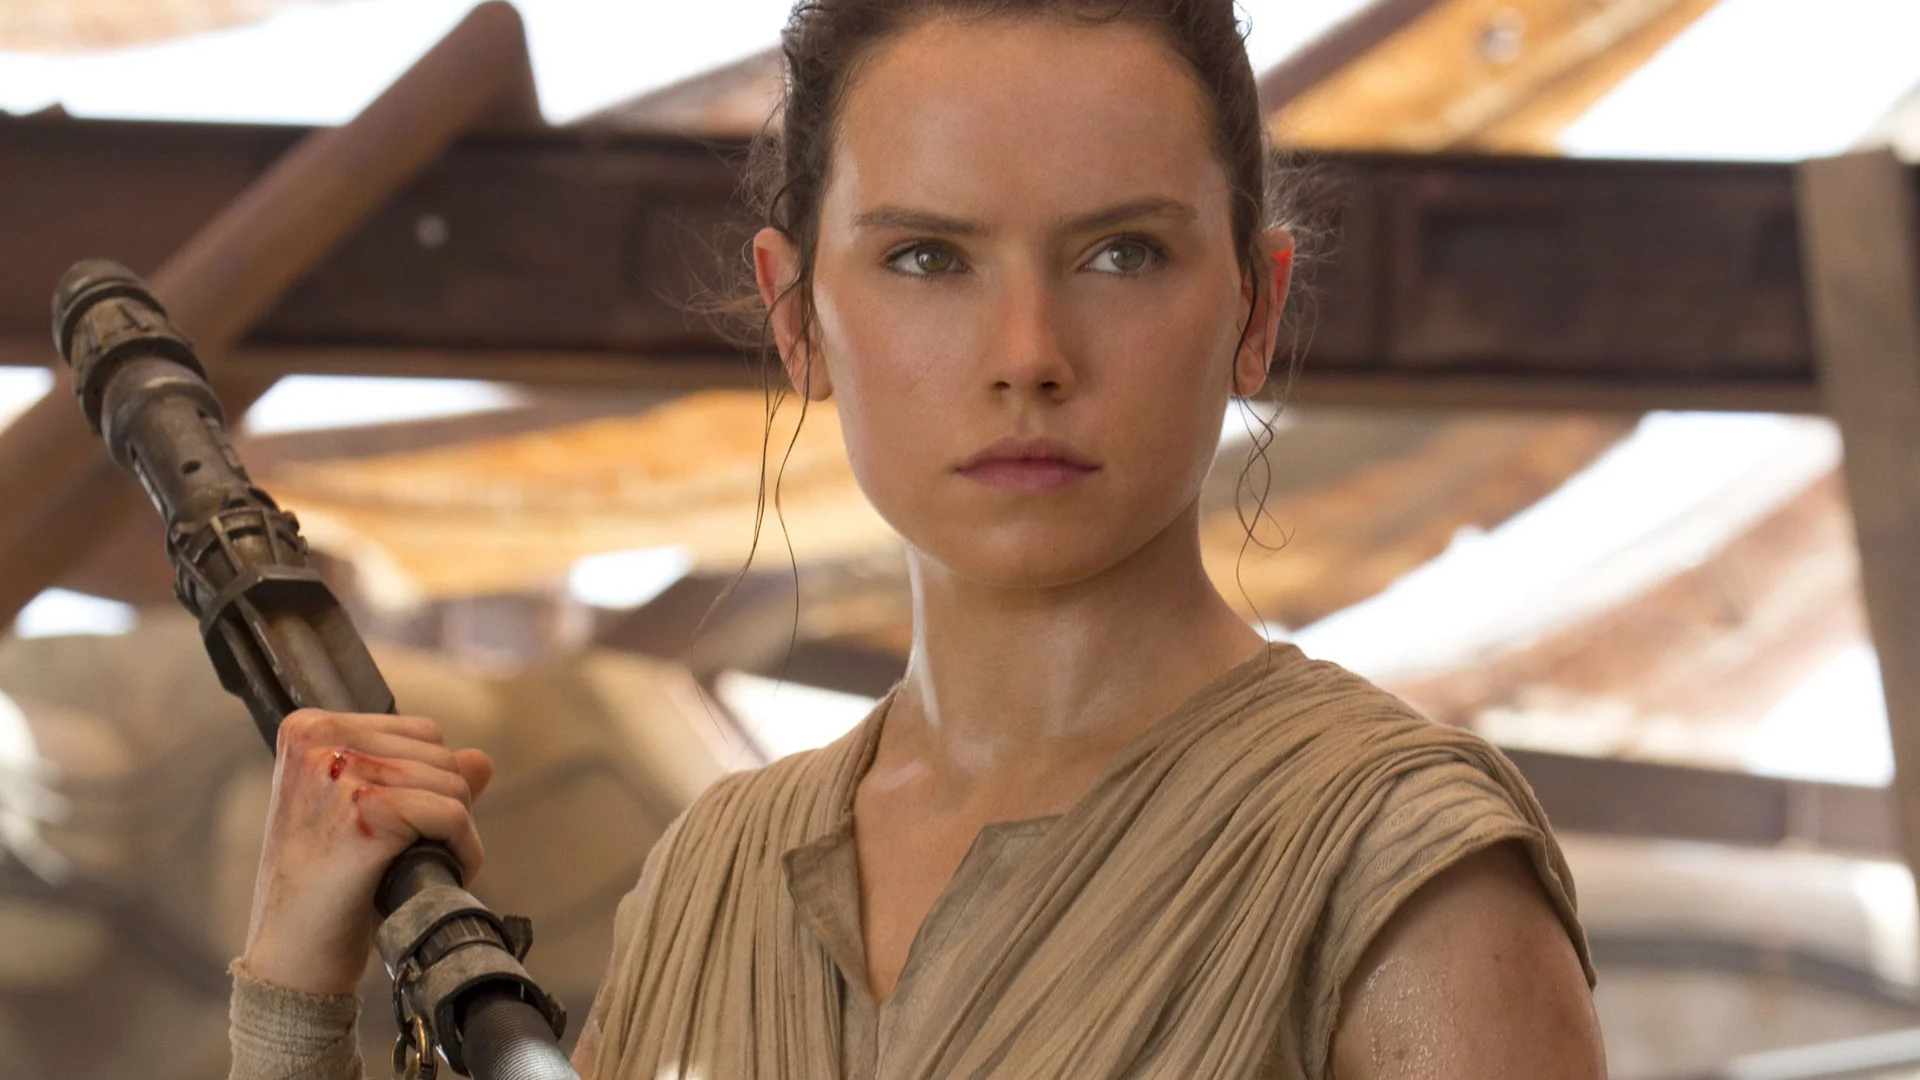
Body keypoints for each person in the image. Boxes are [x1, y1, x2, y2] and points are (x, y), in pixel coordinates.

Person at [228, 1, 1606, 1078]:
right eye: (928, 258)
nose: (1028, 354)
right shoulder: (717, 876)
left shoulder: (1397, 869)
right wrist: (296, 987)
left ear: (1255, 306)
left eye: (1122, 252)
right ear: (798, 318)